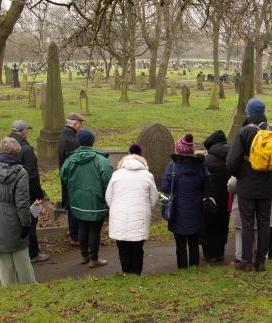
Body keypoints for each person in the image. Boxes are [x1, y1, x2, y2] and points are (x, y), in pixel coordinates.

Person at [226, 98, 272, 272]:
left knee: (247, 224)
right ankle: (261, 262)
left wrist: (240, 174)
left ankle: (245, 261)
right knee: (264, 223)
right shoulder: (270, 132)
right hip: (267, 187)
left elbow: (231, 161)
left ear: (249, 112)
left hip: (246, 186)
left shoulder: (244, 133)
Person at [61, 129, 113, 267]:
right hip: (96, 201)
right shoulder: (101, 161)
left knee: (82, 227)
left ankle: (84, 256)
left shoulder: (69, 160)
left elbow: (64, 176)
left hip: (77, 200)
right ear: (92, 141)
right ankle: (93, 259)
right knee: (95, 229)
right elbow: (108, 180)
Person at [106, 153, 158, 275]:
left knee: (122, 247)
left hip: (119, 214)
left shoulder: (116, 175)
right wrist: (145, 207)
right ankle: (136, 273)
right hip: (140, 214)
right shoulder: (147, 175)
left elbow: (108, 196)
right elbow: (154, 197)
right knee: (137, 247)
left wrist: (115, 207)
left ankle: (126, 272)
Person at [162, 134, 207, 269]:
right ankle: (194, 267)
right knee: (194, 242)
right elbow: (206, 183)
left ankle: (182, 268)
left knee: (180, 243)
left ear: (178, 149)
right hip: (196, 209)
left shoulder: (173, 166)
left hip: (178, 211)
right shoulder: (200, 166)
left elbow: (165, 187)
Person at [9, 120, 49, 263]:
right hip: (27, 192)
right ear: (23, 132)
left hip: (9, 191)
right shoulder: (26, 149)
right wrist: (39, 195)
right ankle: (33, 253)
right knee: (31, 220)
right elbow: (33, 175)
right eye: (27, 131)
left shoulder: (5, 145)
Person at [0, 137, 36, 286]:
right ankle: (28, 286)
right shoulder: (21, 172)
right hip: (13, 216)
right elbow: (22, 202)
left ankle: (8, 287)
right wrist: (26, 223)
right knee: (21, 254)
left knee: (3, 257)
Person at [202, 130, 230, 262]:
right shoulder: (232, 155)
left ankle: (210, 254)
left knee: (209, 224)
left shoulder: (206, 160)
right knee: (223, 223)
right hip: (227, 197)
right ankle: (220, 252)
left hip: (210, 197)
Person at [58, 113, 84, 246]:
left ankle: (74, 233)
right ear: (75, 124)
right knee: (74, 207)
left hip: (66, 178)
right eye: (80, 124)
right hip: (73, 180)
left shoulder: (64, 136)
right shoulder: (72, 141)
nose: (80, 127)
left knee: (70, 206)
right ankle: (75, 237)